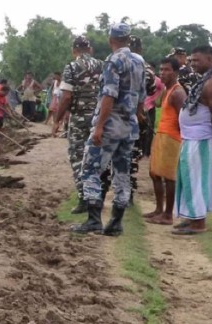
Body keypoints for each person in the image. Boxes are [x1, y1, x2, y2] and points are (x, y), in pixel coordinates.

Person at [72, 23, 146, 236]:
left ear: (110, 39)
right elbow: (142, 96)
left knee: (90, 169)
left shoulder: (113, 61)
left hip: (111, 124)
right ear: (128, 39)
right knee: (122, 173)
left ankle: (94, 219)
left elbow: (108, 95)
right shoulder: (139, 61)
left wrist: (100, 126)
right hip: (129, 125)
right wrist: (137, 116)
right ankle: (116, 222)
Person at [53, 35, 109, 214]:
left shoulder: (71, 67)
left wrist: (57, 120)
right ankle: (98, 197)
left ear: (74, 50)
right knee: (97, 157)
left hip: (78, 119)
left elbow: (66, 97)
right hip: (99, 118)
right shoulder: (102, 65)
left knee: (78, 157)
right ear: (90, 49)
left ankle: (84, 199)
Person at [173, 45, 212, 235]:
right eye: (191, 60)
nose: (192, 63)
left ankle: (198, 223)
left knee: (196, 179)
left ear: (210, 59)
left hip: (200, 139)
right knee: (188, 177)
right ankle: (190, 217)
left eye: (197, 60)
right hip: (191, 138)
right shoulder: (206, 79)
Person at [143, 58, 186, 225]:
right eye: (161, 70)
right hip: (162, 134)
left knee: (169, 177)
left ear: (175, 72)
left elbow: (184, 119)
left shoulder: (177, 92)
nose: (162, 73)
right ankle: (159, 209)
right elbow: (157, 103)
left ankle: (168, 214)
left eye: (167, 70)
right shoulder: (168, 90)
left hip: (172, 138)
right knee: (154, 173)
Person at [128, 35, 157, 205]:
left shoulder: (117, 63)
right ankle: (129, 192)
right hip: (138, 116)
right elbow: (151, 91)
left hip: (117, 116)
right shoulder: (148, 71)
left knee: (115, 154)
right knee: (132, 154)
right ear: (140, 49)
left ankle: (115, 188)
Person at [143, 66, 165, 157]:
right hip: (141, 107)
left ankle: (147, 151)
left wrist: (157, 99)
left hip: (150, 107)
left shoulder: (157, 80)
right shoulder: (141, 78)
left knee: (149, 129)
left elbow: (163, 88)